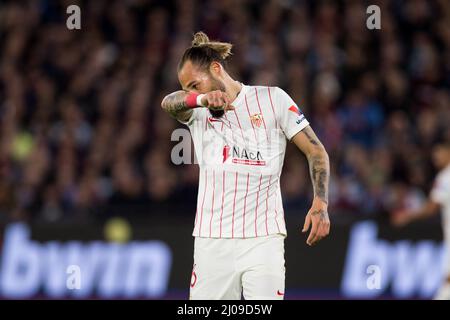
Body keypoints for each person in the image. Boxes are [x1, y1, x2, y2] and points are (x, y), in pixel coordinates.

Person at [161, 32, 330, 300]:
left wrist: (320, 202)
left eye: (195, 85)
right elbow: (169, 103)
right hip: (212, 240)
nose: (192, 93)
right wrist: (201, 99)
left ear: (216, 68)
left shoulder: (274, 99)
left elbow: (316, 150)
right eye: (188, 89)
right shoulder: (197, 111)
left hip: (264, 240)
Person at [392, 139, 450, 300]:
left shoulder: (445, 177)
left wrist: (406, 216)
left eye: (439, 152)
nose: (435, 156)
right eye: (434, 152)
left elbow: (431, 209)